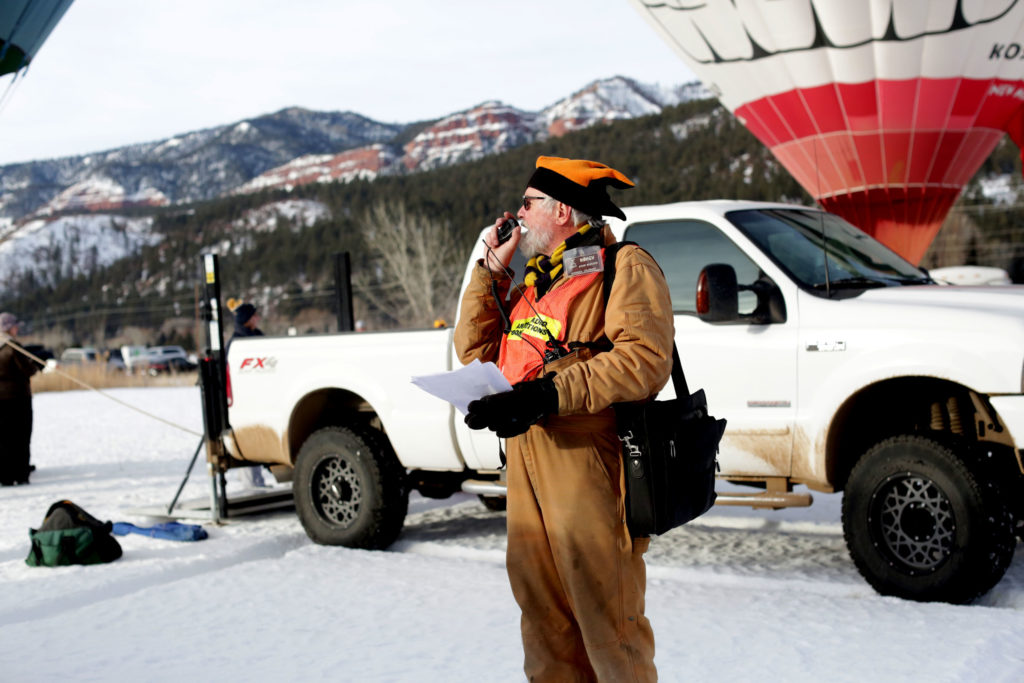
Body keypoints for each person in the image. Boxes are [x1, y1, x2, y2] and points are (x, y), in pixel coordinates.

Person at [454, 156, 675, 681]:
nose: (518, 215)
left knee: (608, 623)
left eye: (528, 204)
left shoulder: (626, 265)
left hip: (588, 459)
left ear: (563, 211)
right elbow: (474, 355)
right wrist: (489, 273)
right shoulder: (535, 281)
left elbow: (643, 360)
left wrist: (547, 396)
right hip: (529, 461)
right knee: (544, 622)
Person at [228, 301, 268, 489]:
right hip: (244, 398)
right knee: (247, 437)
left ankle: (256, 481)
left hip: (260, 395)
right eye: (254, 316)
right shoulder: (238, 343)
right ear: (246, 319)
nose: (257, 318)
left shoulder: (256, 337)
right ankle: (251, 483)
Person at [0, 312, 42, 486]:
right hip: (17, 399)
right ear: (9, 328)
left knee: (4, 437)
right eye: (15, 325)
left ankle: (5, 474)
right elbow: (28, 370)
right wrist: (37, 364)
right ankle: (20, 473)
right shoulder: (12, 347)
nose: (18, 328)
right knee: (21, 435)